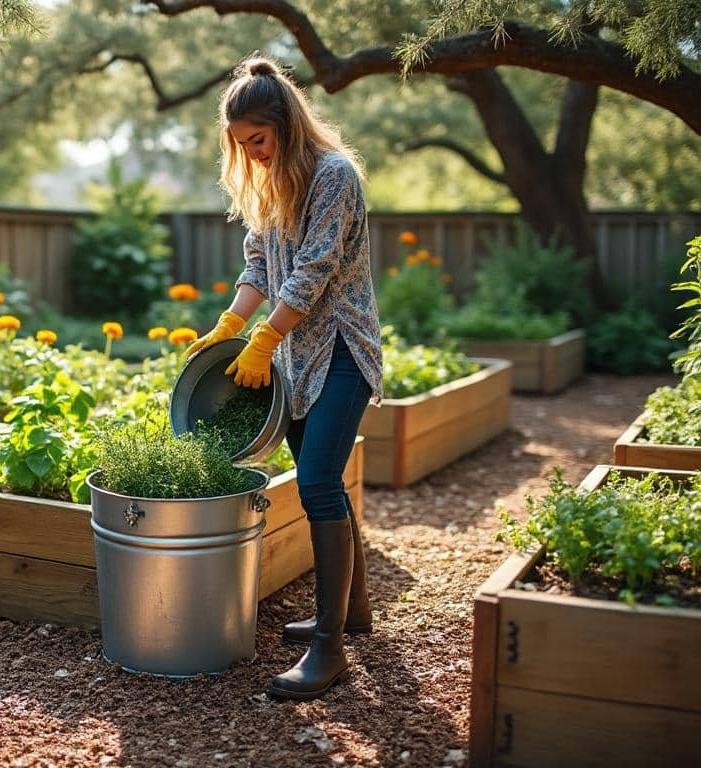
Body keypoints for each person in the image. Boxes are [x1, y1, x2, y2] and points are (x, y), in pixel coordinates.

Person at [185, 56, 383, 700]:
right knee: (320, 478)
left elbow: (312, 272)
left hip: (343, 349)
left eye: (260, 141)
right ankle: (352, 612)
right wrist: (229, 327)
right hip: (295, 355)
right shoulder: (272, 185)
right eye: (242, 145)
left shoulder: (334, 176)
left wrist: (265, 337)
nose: (254, 155)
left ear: (287, 126)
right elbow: (259, 267)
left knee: (320, 481)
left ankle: (330, 650)